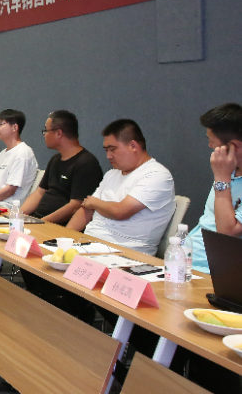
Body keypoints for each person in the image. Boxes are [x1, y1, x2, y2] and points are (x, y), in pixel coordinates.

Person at [68, 119, 175, 256]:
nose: (108, 156)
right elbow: (86, 209)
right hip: (90, 244)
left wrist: (95, 203)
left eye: (113, 149)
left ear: (133, 146)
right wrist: (64, 239)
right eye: (106, 150)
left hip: (127, 253)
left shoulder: (157, 174)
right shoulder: (111, 174)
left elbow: (120, 212)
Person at [21, 110, 103, 224]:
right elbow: (40, 192)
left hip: (56, 226)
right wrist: (19, 216)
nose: (44, 135)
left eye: (46, 131)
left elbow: (75, 206)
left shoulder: (86, 164)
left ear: (59, 133)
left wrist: (40, 223)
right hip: (38, 220)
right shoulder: (55, 159)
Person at [187, 103, 242, 273]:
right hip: (186, 260)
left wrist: (221, 179)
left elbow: (226, 234)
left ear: (234, 146)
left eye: (211, 140)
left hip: (214, 271)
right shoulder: (229, 170)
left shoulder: (223, 174)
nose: (210, 146)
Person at [0, 109, 38, 205]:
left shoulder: (23, 152)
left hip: (5, 206)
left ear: (14, 127)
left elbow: (10, 190)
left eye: (0, 124)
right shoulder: (1, 154)